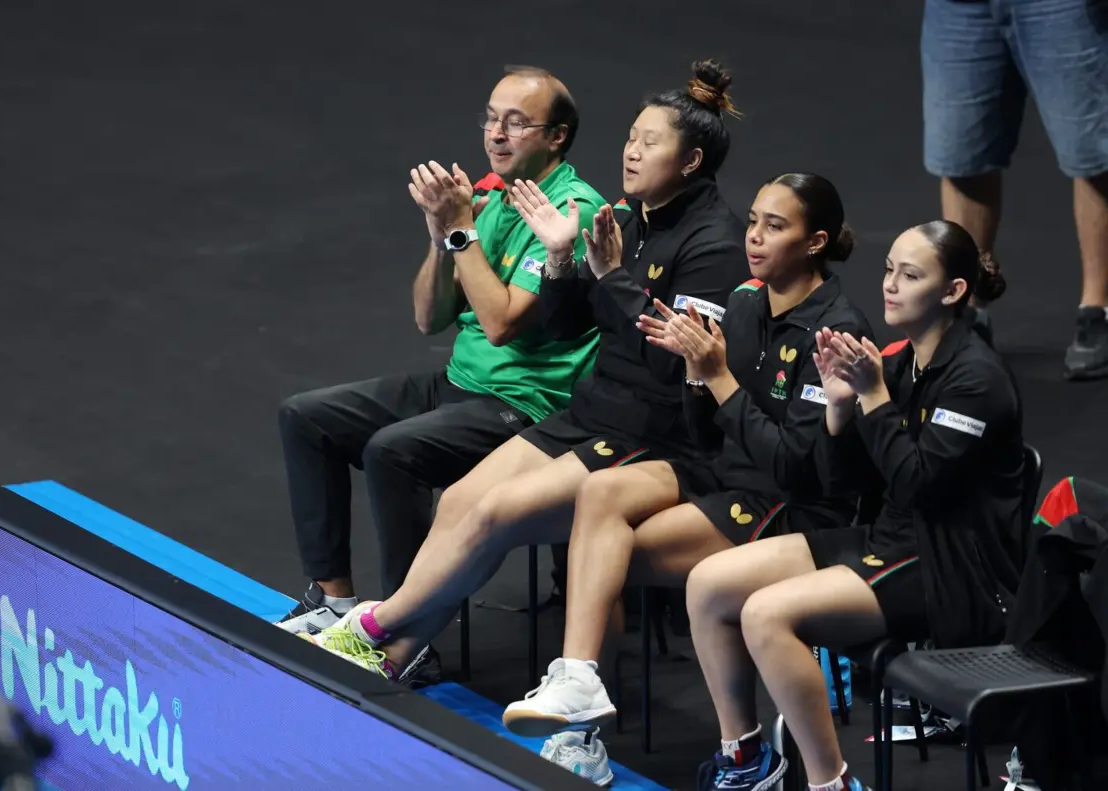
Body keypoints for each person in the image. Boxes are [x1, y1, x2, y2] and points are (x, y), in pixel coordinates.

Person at [304, 60, 750, 688]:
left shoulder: (714, 246)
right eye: (630, 137)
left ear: (691, 162)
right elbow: (570, 327)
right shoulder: (622, 220)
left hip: (659, 436)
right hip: (594, 414)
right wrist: (566, 260)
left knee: (492, 515)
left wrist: (610, 275)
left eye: (650, 143)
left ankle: (375, 629)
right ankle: (397, 654)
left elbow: (667, 363)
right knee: (461, 499)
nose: (631, 152)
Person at [500, 174, 875, 761]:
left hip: (791, 506)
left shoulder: (834, 330)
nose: (753, 238)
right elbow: (704, 433)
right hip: (726, 476)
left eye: (775, 227)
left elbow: (794, 467)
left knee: (601, 562)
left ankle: (586, 732)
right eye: (752, 220)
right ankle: (579, 688)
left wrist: (717, 378)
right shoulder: (747, 302)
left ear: (815, 242)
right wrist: (697, 378)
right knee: (600, 503)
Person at [683, 220, 1024, 791]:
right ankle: (745, 760)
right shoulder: (903, 362)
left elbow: (916, 486)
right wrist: (841, 411)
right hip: (888, 539)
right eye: (889, 268)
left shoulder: (975, 381)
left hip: (950, 566)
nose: (889, 284)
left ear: (953, 292)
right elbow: (839, 485)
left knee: (766, 615)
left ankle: (830, 782)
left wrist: (872, 396)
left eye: (910, 275)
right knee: (709, 583)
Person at [275, 66, 605, 639]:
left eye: (517, 122)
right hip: (463, 383)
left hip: (528, 404)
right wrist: (439, 235)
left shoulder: (570, 210)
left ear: (557, 136)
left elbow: (501, 325)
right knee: (306, 416)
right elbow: (429, 318)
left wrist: (461, 232)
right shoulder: (487, 193)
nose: (496, 134)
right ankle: (332, 602)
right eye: (491, 118)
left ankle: (404, 634)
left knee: (393, 452)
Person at [921, 0, 1108, 378]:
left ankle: (1100, 309)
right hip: (958, 7)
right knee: (962, 157)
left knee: (1095, 155)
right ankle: (967, 309)